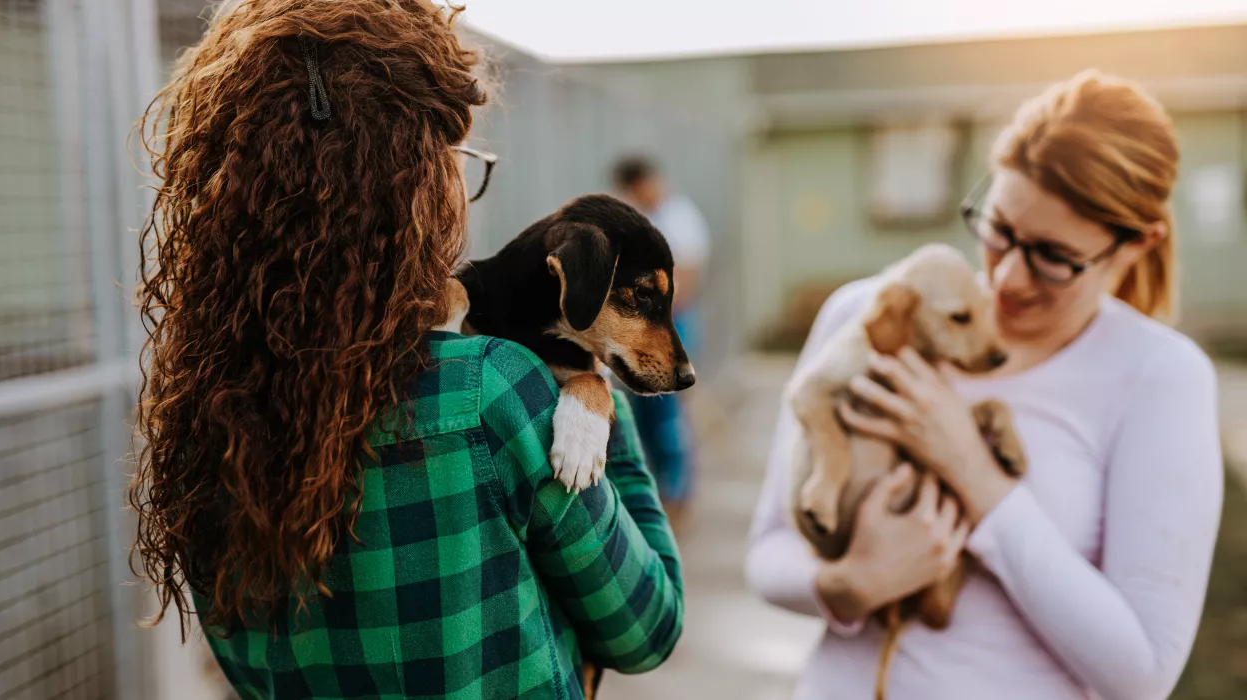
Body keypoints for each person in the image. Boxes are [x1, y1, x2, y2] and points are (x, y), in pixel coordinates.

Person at [130, 2, 682, 698]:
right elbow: (647, 628)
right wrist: (599, 394)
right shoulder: (493, 393)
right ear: (412, 193)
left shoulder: (205, 420)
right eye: (456, 164)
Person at [745, 70, 1223, 700]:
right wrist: (849, 584)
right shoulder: (869, 314)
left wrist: (973, 470)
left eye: (1053, 257)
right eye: (999, 229)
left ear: (1138, 244)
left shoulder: (1159, 376)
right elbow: (769, 552)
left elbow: (1142, 674)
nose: (1008, 280)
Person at [612, 155, 711, 511]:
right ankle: (656, 486)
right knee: (645, 409)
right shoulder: (644, 219)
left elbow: (686, 280)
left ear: (644, 183)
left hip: (672, 323)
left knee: (667, 409)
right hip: (647, 325)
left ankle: (677, 491)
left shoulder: (679, 218)